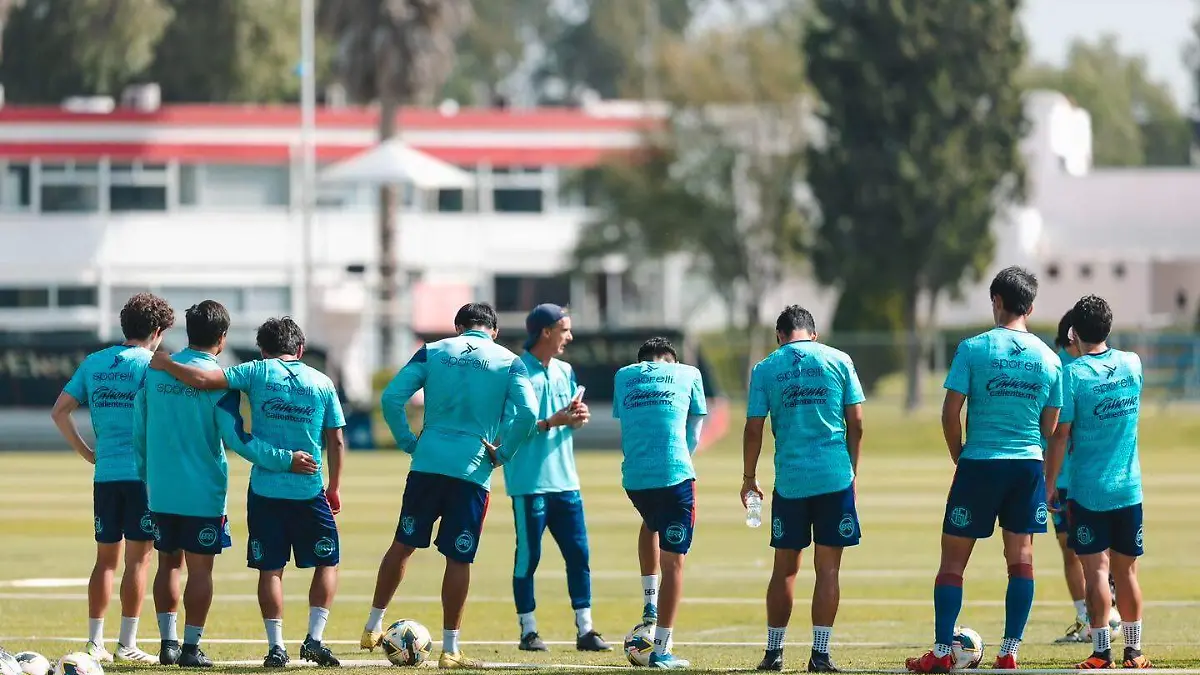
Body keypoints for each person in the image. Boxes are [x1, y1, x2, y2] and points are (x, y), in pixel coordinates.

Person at [150, 317, 346, 668]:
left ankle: (276, 647)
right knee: (327, 562)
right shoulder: (322, 382)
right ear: (301, 349)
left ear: (263, 349)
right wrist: (334, 487)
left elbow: (202, 379)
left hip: (264, 490)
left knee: (269, 570)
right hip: (308, 488)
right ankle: (315, 639)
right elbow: (337, 439)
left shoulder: (255, 371)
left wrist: (166, 363)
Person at [361, 303, 538, 670]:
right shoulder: (509, 361)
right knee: (458, 557)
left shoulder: (433, 350)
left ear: (459, 327)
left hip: (427, 463)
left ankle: (372, 627)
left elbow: (391, 397)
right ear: (494, 331)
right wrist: (504, 453)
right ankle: (450, 650)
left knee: (403, 544)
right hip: (471, 470)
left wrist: (408, 440)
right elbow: (529, 412)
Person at [906, 266, 1063, 673]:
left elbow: (950, 411)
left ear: (996, 301)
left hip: (979, 463)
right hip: (1027, 465)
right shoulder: (1050, 359)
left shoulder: (973, 348)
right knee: (1021, 560)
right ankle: (1009, 652)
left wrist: (959, 454)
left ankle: (941, 653)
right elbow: (1049, 426)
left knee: (953, 563)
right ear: (1030, 307)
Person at [51, 293, 176, 664]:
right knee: (138, 561)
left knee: (105, 560)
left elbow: (60, 412)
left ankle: (94, 643)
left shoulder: (95, 362)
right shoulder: (155, 365)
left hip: (105, 474)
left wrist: (88, 452)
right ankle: (127, 644)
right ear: (157, 331)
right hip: (143, 477)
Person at [742, 306, 865, 673]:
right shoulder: (839, 359)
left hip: (791, 482)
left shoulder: (765, 368)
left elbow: (753, 428)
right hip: (834, 478)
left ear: (780, 336)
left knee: (784, 570)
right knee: (828, 571)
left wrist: (749, 477)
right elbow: (857, 422)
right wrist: (851, 472)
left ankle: (774, 653)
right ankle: (820, 655)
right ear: (814, 334)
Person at [1046, 295, 1150, 669]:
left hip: (1088, 491)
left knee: (1097, 573)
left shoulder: (1072, 374)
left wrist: (1048, 484)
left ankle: (1102, 652)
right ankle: (1134, 652)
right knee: (1127, 573)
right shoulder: (1132, 363)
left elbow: (1061, 435)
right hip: (1129, 488)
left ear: (1073, 333)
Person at [502, 304, 610, 652]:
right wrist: (552, 422)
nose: (570, 336)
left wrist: (576, 418)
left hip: (566, 482)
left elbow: (567, 420)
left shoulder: (565, 370)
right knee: (528, 558)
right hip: (529, 483)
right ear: (546, 332)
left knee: (579, 555)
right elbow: (507, 431)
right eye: (565, 330)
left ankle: (586, 630)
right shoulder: (515, 372)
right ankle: (528, 631)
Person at [614, 337, 707, 670]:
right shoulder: (689, 373)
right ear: (672, 359)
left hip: (635, 480)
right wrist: (683, 456)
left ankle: (650, 603)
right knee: (674, 564)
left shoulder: (623, 376)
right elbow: (695, 427)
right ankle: (662, 650)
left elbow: (629, 423)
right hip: (674, 475)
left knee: (651, 522)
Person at [1050, 309, 1091, 644]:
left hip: (1075, 477)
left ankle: (1093, 617)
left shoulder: (1078, 367)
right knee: (1074, 548)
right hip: (1068, 476)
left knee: (1079, 549)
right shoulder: (1059, 368)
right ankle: (1089, 617)